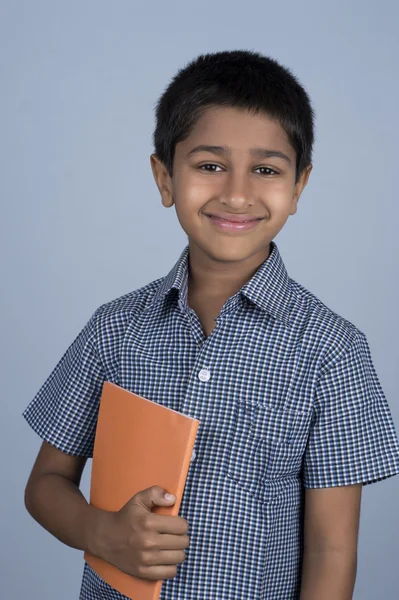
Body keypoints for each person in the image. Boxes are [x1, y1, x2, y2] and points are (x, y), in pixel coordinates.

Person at [23, 49, 399, 600]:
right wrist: (102, 534)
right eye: (209, 165)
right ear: (164, 177)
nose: (237, 193)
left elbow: (332, 549)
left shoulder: (333, 350)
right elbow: (45, 485)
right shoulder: (115, 329)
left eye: (266, 169)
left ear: (299, 187)